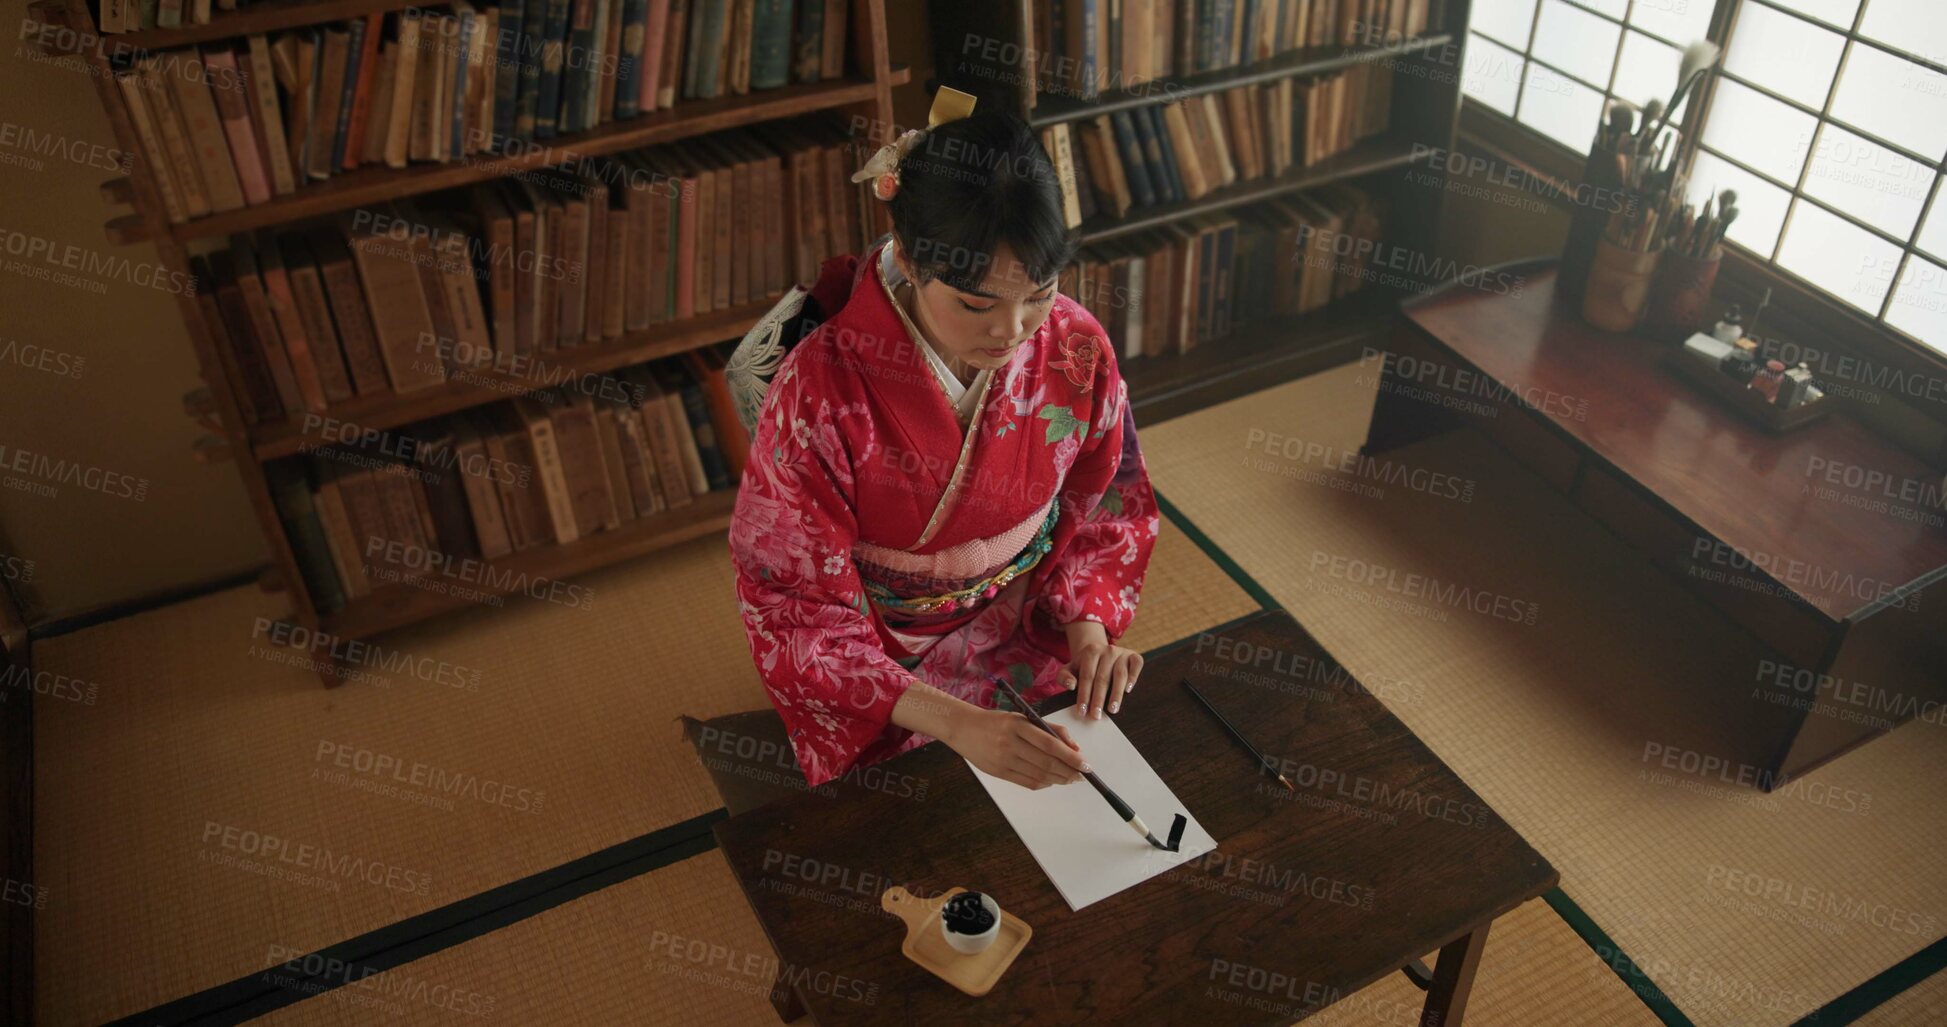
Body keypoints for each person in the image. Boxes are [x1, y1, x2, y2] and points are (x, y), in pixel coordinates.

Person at [725, 98, 1159, 793]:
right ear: (907, 258)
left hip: (1023, 615)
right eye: (975, 304)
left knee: (1072, 755)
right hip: (880, 649)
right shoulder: (820, 392)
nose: (1013, 330)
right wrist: (955, 723)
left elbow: (1108, 496)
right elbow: (792, 601)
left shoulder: (1075, 346)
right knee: (914, 806)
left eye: (1040, 293)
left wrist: (1087, 632)